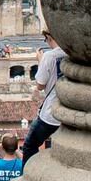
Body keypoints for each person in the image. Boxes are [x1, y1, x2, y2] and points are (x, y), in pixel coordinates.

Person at [22, 30, 65, 165]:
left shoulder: (49, 56)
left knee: (30, 145)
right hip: (69, 111)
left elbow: (40, 85)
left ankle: (27, 178)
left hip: (51, 113)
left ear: (49, 37)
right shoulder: (72, 53)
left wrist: (40, 61)